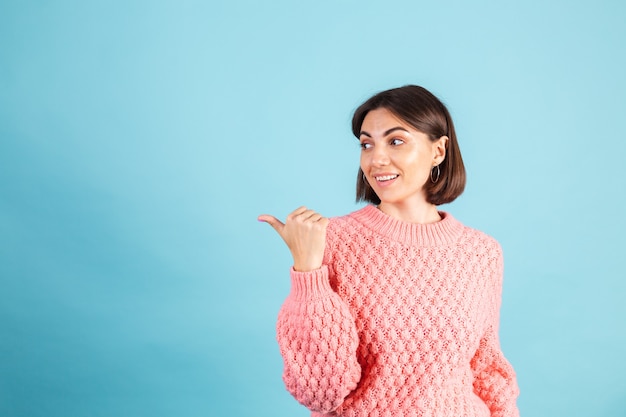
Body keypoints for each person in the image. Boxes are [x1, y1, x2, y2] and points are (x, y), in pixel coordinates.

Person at [258, 85, 520, 417]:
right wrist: (308, 271)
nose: (376, 159)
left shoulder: (482, 253)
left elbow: (488, 373)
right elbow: (320, 392)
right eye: (367, 144)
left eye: (395, 141)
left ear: (438, 151)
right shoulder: (330, 240)